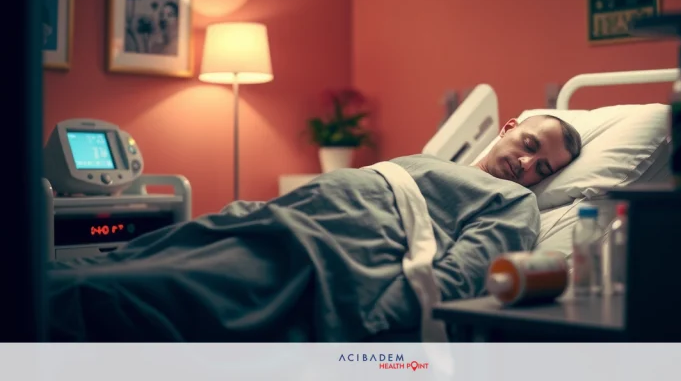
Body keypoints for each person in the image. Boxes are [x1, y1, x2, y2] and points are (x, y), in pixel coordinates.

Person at [47, 115, 582, 343]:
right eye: (530, 147)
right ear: (509, 127)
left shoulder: (515, 203)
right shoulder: (433, 161)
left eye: (543, 169)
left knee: (132, 289)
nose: (527, 166)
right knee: (144, 253)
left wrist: (377, 325)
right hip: (284, 214)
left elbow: (462, 276)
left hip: (333, 247)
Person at [474, 114, 582, 187]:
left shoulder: (524, 208)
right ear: (508, 129)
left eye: (541, 169)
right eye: (528, 145)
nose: (526, 164)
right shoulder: (462, 174)